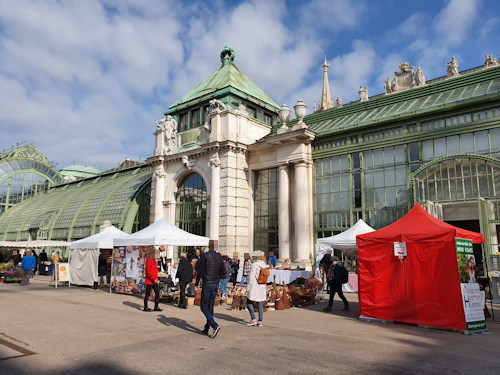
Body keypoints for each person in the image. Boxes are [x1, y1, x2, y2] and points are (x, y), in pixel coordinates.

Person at [195, 241, 224, 338]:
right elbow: (223, 272)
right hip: (215, 283)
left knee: (203, 306)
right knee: (210, 307)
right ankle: (206, 328)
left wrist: (196, 283)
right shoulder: (220, 257)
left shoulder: (205, 256)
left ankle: (214, 325)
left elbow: (200, 270)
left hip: (208, 283)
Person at [246, 251, 268, 327]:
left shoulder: (254, 265)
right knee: (260, 302)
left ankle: (253, 319)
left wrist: (248, 287)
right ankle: (260, 321)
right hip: (261, 285)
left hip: (254, 286)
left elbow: (251, 278)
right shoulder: (264, 265)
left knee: (249, 301)